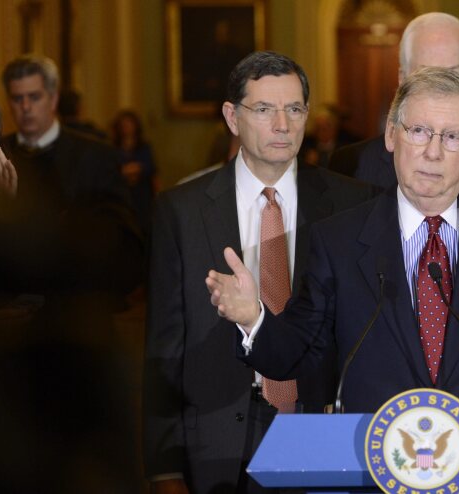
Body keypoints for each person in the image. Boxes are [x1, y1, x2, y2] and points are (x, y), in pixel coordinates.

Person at [207, 66, 459, 414]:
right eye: (418, 131)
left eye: (451, 137)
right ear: (390, 134)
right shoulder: (339, 240)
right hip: (375, 465)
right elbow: (296, 353)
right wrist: (253, 317)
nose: (433, 152)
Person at [143, 51, 376, 494]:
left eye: (294, 109)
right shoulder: (182, 211)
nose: (282, 125)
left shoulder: (352, 204)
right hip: (219, 432)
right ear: (232, 117)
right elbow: (164, 348)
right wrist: (164, 469)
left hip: (321, 430)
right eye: (264, 110)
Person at [0, 58, 144, 491]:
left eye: (34, 97)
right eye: (17, 99)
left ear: (53, 98)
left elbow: (123, 252)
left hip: (81, 341)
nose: (25, 108)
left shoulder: (95, 156)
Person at [327, 12, 459, 198]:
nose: (441, 90)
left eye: (453, 75)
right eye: (425, 76)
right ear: (401, 80)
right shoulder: (354, 167)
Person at [112, 109, 158, 237]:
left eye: (129, 123)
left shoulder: (144, 147)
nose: (126, 127)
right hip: (123, 197)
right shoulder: (113, 148)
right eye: (123, 124)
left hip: (142, 196)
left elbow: (151, 170)